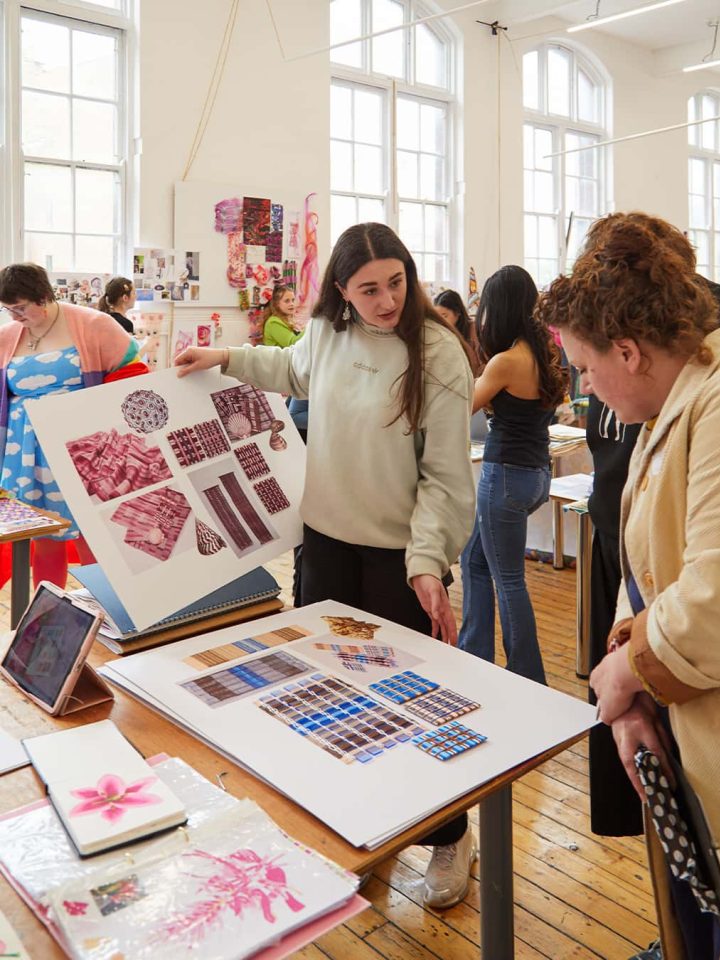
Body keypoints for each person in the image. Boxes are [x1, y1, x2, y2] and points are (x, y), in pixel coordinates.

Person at [176, 222, 478, 909]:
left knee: (410, 706)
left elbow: (446, 476)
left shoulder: (438, 352)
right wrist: (222, 356)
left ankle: (449, 835)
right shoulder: (328, 333)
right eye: (369, 289)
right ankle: (364, 831)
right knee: (329, 699)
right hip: (325, 547)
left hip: (399, 559)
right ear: (341, 290)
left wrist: (428, 561)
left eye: (396, 282)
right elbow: (289, 368)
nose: (387, 301)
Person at [538, 212, 720, 960]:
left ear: (629, 352)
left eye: (585, 367)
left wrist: (626, 670)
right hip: (695, 719)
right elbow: (641, 571)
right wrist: (633, 685)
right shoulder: (676, 407)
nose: (586, 387)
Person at [0, 263, 143, 588]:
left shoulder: (93, 324)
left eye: (20, 308)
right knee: (43, 535)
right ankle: (47, 608)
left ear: (43, 297)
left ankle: (106, 605)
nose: (14, 316)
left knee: (92, 533)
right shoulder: (7, 335)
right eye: (8, 309)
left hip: (81, 451)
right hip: (26, 454)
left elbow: (131, 375)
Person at [458, 266, 567, 683]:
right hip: (536, 474)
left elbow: (462, 406)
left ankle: (527, 675)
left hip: (505, 475)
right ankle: (474, 654)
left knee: (509, 581)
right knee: (474, 560)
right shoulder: (543, 354)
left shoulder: (506, 361)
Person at [434, 289, 484, 375]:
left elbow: (484, 364)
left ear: (457, 312)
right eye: (438, 317)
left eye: (445, 316)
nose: (441, 321)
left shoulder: (475, 329)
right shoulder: (441, 333)